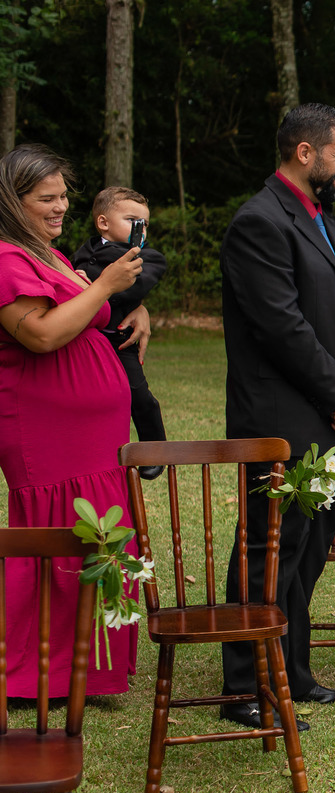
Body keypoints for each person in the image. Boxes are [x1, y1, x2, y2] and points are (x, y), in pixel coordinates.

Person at [219, 102, 335, 730]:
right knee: (267, 548)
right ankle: (244, 688)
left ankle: (292, 672)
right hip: (281, 418)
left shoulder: (331, 224)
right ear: (304, 153)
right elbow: (280, 326)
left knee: (310, 547)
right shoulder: (259, 222)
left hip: (333, 415)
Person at [0, 143, 148, 696]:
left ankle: (93, 668)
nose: (61, 207)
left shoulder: (51, 255)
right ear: (14, 203)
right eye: (47, 198)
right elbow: (41, 333)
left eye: (64, 196)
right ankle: (36, 672)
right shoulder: (6, 259)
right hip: (44, 430)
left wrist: (134, 305)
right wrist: (107, 286)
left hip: (93, 438)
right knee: (56, 541)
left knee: (96, 536)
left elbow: (86, 313)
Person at [71, 186, 168, 480]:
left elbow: (135, 286)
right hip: (83, 340)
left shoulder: (149, 257)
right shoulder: (82, 251)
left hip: (120, 338)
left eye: (145, 224)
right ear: (103, 222)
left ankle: (155, 449)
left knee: (137, 393)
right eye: (131, 220)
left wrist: (93, 288)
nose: (141, 229)